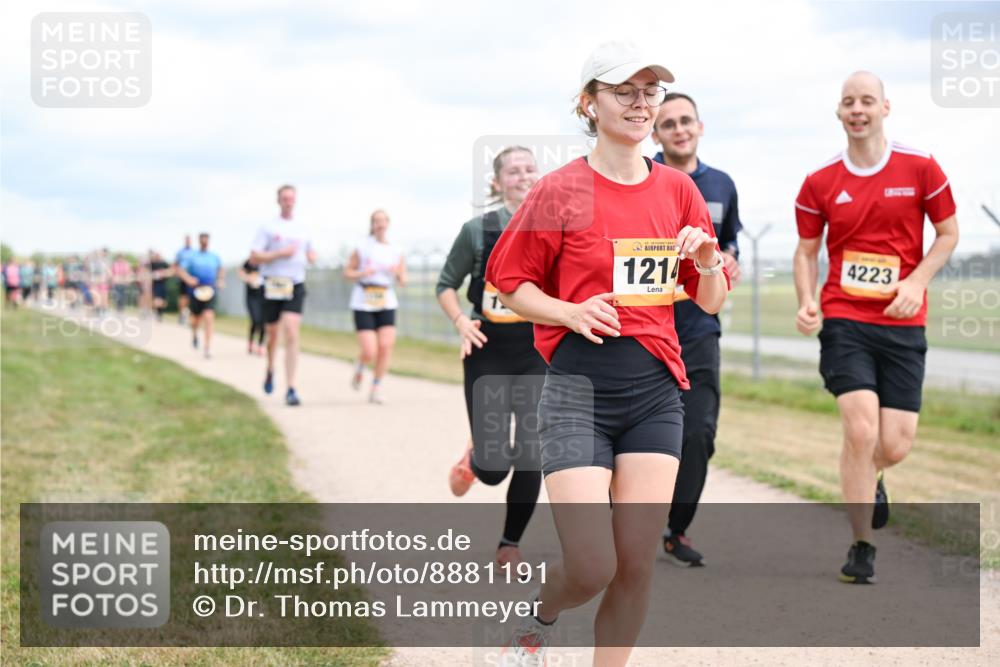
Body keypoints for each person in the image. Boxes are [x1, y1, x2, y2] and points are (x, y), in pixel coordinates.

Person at [487, 41, 729, 666]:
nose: (640, 103)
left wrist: (706, 263)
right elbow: (509, 281)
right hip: (577, 394)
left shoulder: (678, 189)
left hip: (654, 395)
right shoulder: (560, 189)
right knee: (593, 565)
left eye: (650, 92)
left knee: (635, 569)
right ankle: (539, 615)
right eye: (625, 91)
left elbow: (710, 301)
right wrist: (567, 311)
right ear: (588, 103)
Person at [793, 71, 958, 584]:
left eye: (867, 100)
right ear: (839, 113)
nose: (857, 109)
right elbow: (805, 251)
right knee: (860, 429)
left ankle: (874, 474)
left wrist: (916, 281)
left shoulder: (922, 166)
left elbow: (949, 233)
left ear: (886, 107)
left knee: (895, 443)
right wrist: (806, 301)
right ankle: (862, 544)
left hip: (904, 321)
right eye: (848, 102)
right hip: (845, 318)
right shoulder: (820, 182)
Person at [437, 146, 545, 568]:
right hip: (487, 352)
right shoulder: (477, 230)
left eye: (530, 168)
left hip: (537, 351)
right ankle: (476, 457)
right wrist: (461, 322)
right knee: (496, 466)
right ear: (497, 183)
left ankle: (509, 543)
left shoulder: (558, 228)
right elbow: (446, 284)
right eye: (513, 171)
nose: (523, 176)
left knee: (533, 448)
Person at [651, 93, 742, 567]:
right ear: (656, 134)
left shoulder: (722, 184)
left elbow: (729, 245)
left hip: (700, 327)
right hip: (646, 327)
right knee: (635, 430)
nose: (679, 129)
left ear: (700, 127)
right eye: (669, 123)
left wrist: (730, 261)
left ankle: (676, 529)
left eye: (686, 120)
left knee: (699, 432)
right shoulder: (643, 180)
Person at [251, 184, 316, 406]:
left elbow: (311, 251)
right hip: (272, 284)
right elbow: (255, 256)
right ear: (278, 200)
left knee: (291, 331)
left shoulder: (303, 227)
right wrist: (279, 253)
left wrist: (311, 254)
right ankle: (270, 368)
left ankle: (291, 387)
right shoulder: (268, 227)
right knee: (273, 336)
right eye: (285, 198)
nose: (288, 201)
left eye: (291, 198)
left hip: (295, 284)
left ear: (295, 201)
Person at [344, 209, 406, 405]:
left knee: (386, 346)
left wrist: (398, 274)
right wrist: (362, 272)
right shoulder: (362, 248)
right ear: (372, 225)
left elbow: (404, 279)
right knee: (370, 350)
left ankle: (376, 387)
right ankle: (361, 366)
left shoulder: (396, 250)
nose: (380, 225)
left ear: (388, 224)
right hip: (363, 300)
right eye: (376, 221)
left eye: (383, 221)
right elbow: (347, 272)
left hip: (386, 299)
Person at [176, 233, 225, 359]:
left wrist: (220, 280)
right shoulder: (192, 256)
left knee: (209, 316)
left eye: (206, 241)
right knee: (196, 319)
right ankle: (194, 333)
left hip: (210, 289)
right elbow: (180, 270)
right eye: (202, 241)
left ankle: (207, 348)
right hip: (196, 290)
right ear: (199, 242)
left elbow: (221, 269)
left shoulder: (214, 256)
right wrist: (188, 279)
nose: (204, 243)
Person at [238, 257, 266, 355]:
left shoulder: (267, 261)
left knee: (263, 321)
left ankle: (261, 344)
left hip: (264, 295)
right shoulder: (249, 262)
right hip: (252, 297)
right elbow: (241, 272)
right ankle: (251, 341)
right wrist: (247, 278)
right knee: (255, 319)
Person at [174, 235, 195, 324]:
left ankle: (187, 312)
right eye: (187, 240)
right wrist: (177, 273)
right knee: (183, 296)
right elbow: (176, 264)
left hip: (191, 276)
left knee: (191, 297)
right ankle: (182, 314)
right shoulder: (180, 252)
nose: (188, 242)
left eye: (189, 240)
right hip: (182, 276)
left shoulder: (194, 252)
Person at [148, 251, 171, 321]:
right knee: (156, 299)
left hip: (163, 284)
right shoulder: (152, 264)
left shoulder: (164, 263)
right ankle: (156, 313)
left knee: (162, 301)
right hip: (156, 284)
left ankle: (160, 314)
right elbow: (147, 271)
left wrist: (164, 273)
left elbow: (170, 270)